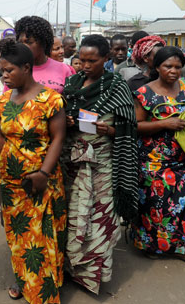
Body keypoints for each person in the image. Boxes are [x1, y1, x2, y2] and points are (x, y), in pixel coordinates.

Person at [0, 40, 66, 303]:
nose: (4, 75)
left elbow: (58, 139)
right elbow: (1, 137)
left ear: (27, 68)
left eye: (9, 70)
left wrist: (43, 173)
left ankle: (44, 291)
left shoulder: (50, 99)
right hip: (11, 182)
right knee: (18, 234)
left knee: (42, 235)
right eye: (1, 70)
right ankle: (24, 280)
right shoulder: (5, 98)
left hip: (41, 179)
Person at [62, 34, 138, 294]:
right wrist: (69, 121)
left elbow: (130, 126)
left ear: (105, 59)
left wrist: (111, 130)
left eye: (92, 60)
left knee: (101, 216)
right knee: (74, 214)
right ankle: (72, 268)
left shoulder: (117, 85)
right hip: (72, 162)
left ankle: (93, 274)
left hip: (103, 163)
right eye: (81, 60)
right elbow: (62, 116)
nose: (85, 65)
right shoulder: (72, 82)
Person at [132, 46, 185, 266]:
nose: (173, 71)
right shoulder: (144, 93)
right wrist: (164, 124)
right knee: (157, 206)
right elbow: (136, 126)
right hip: (154, 161)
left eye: (177, 66)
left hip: (184, 159)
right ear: (157, 67)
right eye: (168, 66)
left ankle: (180, 247)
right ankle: (152, 246)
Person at [15, 15, 74, 93]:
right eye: (20, 42)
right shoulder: (14, 70)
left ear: (43, 42)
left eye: (29, 42)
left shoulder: (64, 69)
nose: (23, 47)